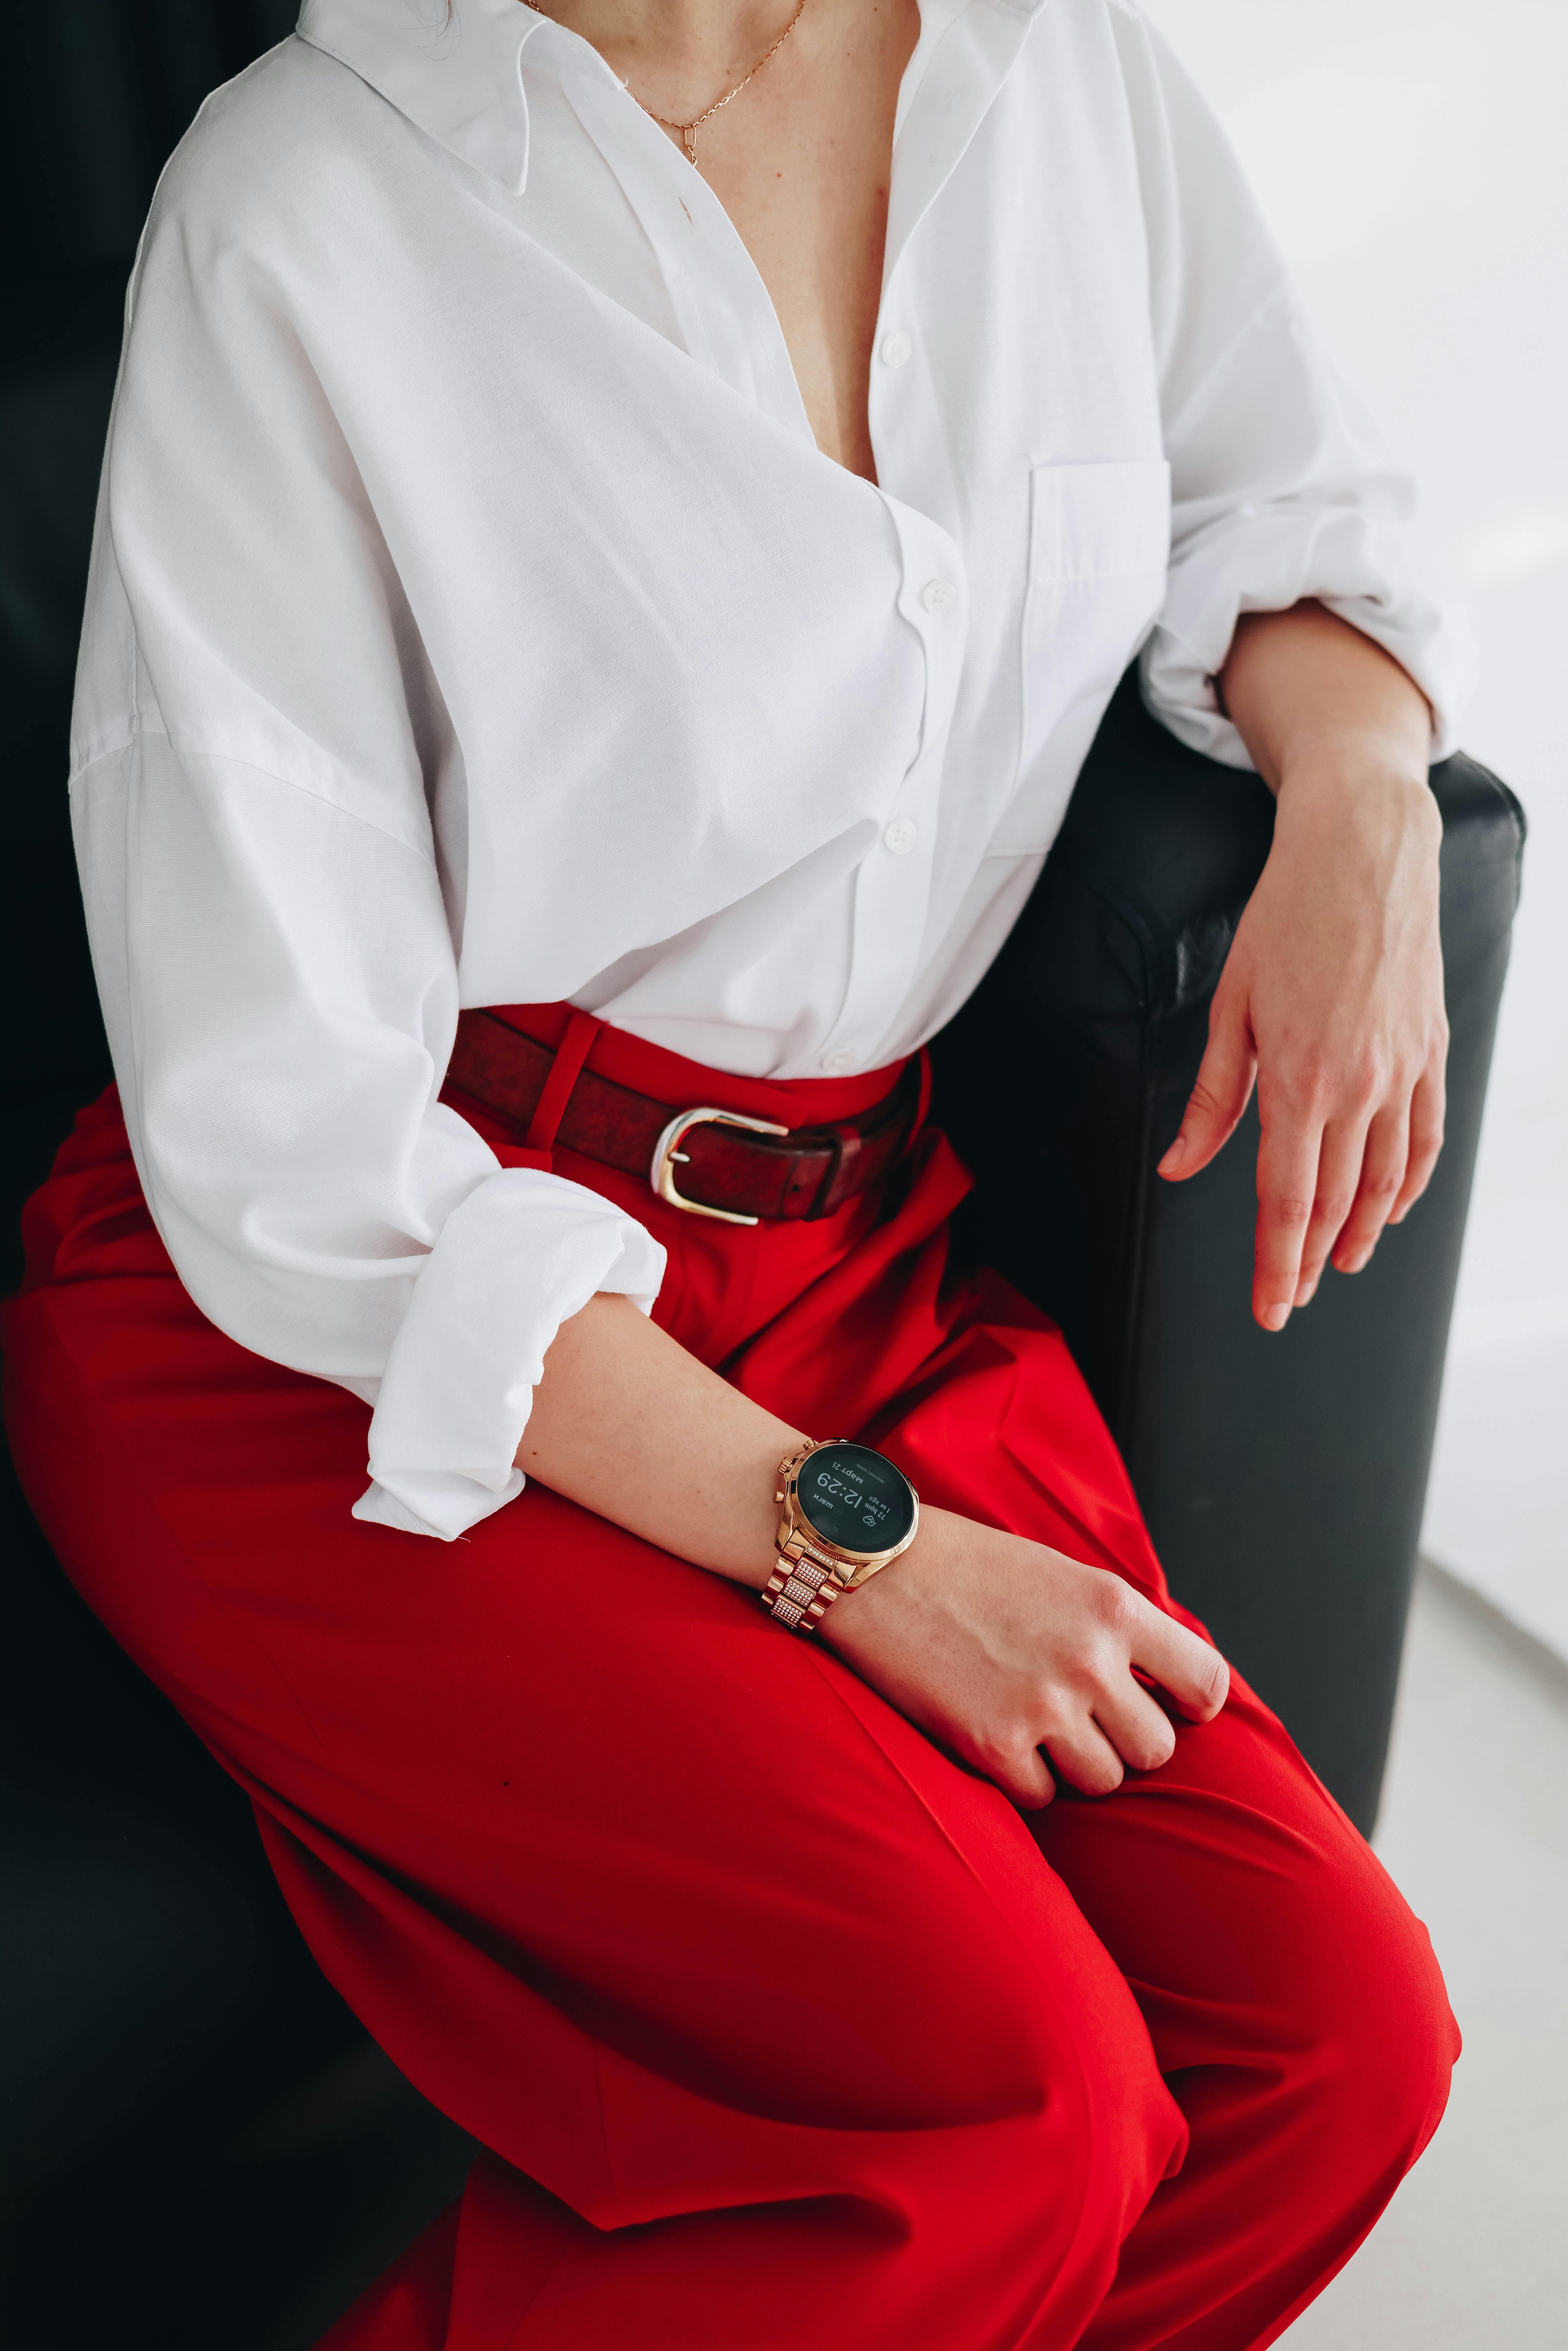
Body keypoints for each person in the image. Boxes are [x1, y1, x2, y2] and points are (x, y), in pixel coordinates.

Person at [3, 0, 1468, 2343]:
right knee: (1012, 2105)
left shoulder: (1048, 66)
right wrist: (864, 1553)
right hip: (353, 1318)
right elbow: (283, 1136)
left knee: (1332, 2053)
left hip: (850, 1260)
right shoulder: (301, 208)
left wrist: (1362, 798)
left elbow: (1289, 499)